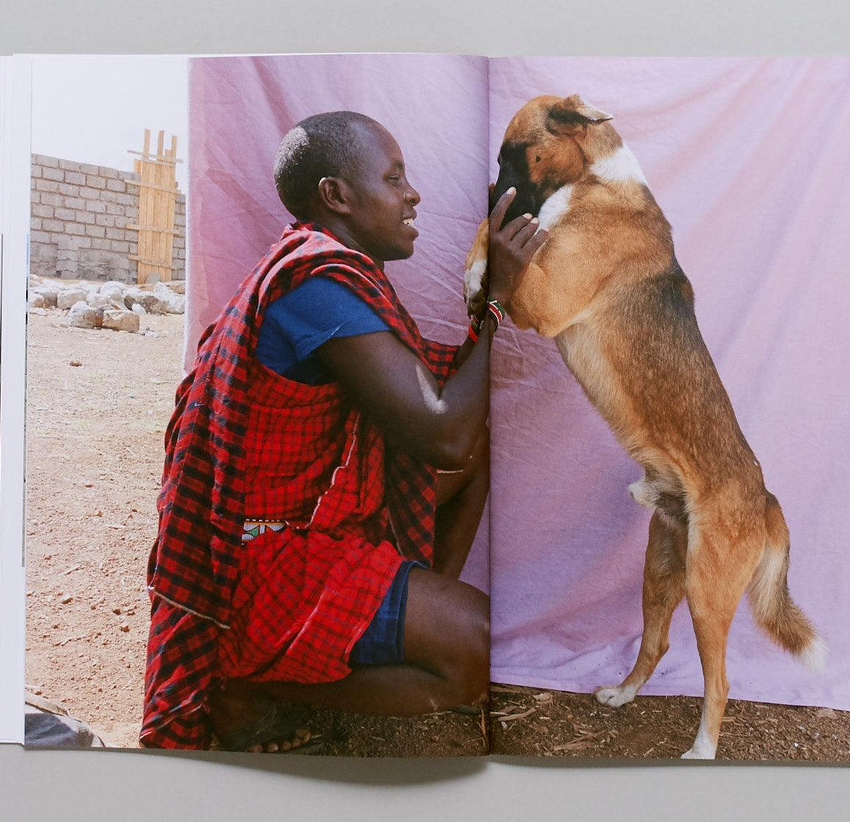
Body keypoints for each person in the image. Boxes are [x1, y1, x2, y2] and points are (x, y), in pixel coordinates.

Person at [141, 110, 546, 751]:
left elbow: (446, 421)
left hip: (291, 526)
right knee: (476, 650)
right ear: (336, 195)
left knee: (477, 451)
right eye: (394, 178)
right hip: (253, 563)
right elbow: (442, 432)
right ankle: (243, 686)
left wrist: (484, 308)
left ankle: (399, 619)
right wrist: (495, 302)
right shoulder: (318, 287)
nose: (413, 195)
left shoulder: (327, 274)